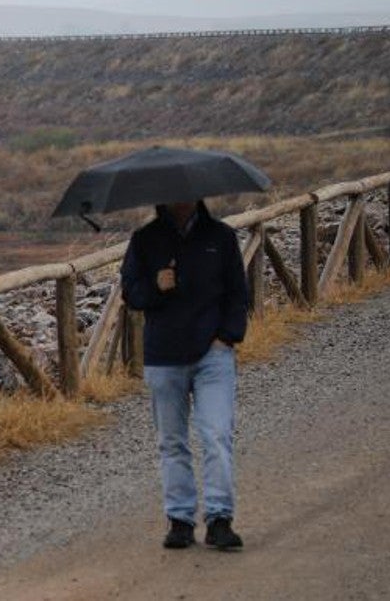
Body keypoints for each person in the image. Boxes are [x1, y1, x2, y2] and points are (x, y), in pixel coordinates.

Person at [120, 199, 248, 550]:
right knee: (172, 441)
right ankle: (180, 520)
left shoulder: (220, 237)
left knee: (217, 434)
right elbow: (131, 294)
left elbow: (238, 292)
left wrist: (227, 337)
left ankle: (220, 518)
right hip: (164, 356)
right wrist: (157, 287)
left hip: (213, 355)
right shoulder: (144, 240)